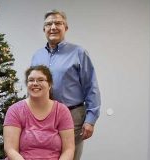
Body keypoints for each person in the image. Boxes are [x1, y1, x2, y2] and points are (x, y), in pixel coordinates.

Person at [31, 9, 101, 160]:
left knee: (69, 156)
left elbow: (91, 86)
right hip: (43, 115)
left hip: (72, 115)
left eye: (58, 23)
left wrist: (90, 119)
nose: (53, 27)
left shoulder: (79, 53)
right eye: (49, 24)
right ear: (44, 29)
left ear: (66, 28)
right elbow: (33, 87)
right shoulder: (37, 56)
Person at [3, 65, 75, 160]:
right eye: (31, 80)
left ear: (49, 85)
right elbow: (10, 149)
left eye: (41, 80)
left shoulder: (62, 111)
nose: (35, 83)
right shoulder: (15, 110)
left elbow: (69, 149)